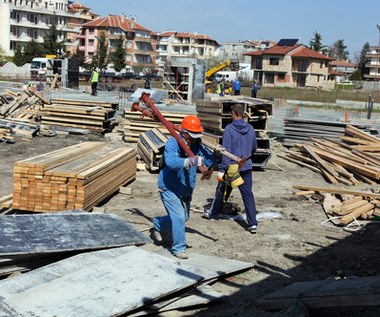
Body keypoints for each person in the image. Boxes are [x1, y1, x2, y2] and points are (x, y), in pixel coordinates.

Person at [152, 115, 216, 259]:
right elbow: (172, 162)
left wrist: (216, 153)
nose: (195, 138)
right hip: (169, 186)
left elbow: (209, 160)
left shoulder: (196, 144)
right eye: (192, 135)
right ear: (185, 133)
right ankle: (179, 248)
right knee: (179, 216)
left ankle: (158, 223)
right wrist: (191, 161)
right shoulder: (172, 142)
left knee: (184, 216)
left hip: (186, 186)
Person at [204, 103, 258, 233]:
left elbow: (225, 151)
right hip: (246, 165)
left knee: (222, 190)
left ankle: (214, 214)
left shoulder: (229, 129)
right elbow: (254, 148)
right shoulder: (250, 128)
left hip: (232, 168)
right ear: (243, 114)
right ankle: (252, 223)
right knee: (248, 194)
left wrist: (222, 170)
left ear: (233, 114)